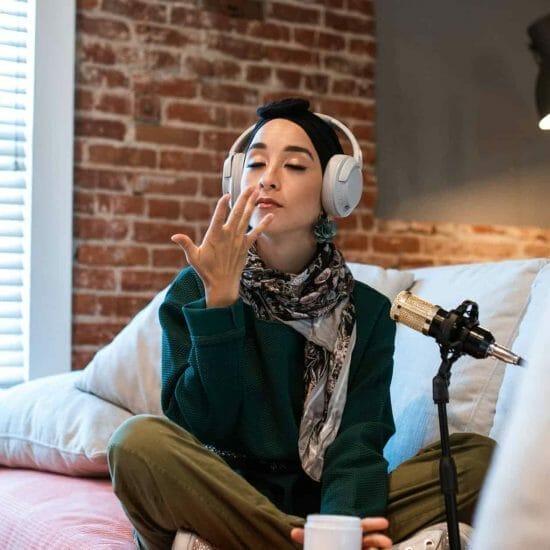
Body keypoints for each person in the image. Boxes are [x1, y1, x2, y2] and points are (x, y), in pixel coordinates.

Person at [107, 98, 494, 550]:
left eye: (294, 165)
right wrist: (221, 303)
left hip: (319, 506)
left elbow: (356, 445)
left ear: (335, 189)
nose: (268, 178)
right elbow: (201, 427)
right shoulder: (196, 290)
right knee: (135, 444)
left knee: (475, 460)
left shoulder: (366, 312)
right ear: (235, 178)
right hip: (223, 495)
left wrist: (341, 524)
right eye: (255, 163)